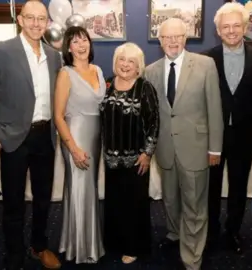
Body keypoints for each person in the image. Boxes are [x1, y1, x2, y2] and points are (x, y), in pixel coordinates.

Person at [0, 1, 62, 269]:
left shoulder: (53, 56)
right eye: (30, 18)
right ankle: (14, 254)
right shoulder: (1, 51)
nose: (36, 23)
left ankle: (39, 246)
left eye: (41, 18)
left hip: (46, 137)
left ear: (47, 23)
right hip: (13, 140)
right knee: (13, 203)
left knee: (43, 199)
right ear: (20, 20)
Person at [145, 18, 224, 270]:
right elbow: (153, 114)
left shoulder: (205, 65)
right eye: (167, 37)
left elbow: (215, 108)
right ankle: (174, 233)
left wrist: (215, 148)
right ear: (160, 41)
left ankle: (192, 257)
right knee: (170, 200)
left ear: (185, 38)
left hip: (196, 148)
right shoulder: (151, 71)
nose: (172, 41)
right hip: (165, 150)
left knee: (194, 205)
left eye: (177, 36)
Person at [201, 2, 252, 254]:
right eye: (225, 26)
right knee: (211, 187)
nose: (231, 31)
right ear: (218, 30)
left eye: (236, 25)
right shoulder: (206, 58)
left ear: (245, 27)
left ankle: (233, 232)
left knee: (239, 186)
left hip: (244, 132)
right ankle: (211, 232)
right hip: (213, 136)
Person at [100, 42, 159, 264]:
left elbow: (154, 122)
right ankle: (115, 243)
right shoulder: (106, 83)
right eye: (121, 59)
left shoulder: (145, 88)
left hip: (136, 160)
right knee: (114, 202)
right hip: (111, 159)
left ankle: (134, 247)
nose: (125, 64)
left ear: (138, 67)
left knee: (134, 204)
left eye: (131, 61)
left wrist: (147, 153)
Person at [53, 26, 106, 264]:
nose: (81, 45)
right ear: (69, 47)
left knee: (89, 189)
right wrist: (73, 148)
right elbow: (58, 116)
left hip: (95, 139)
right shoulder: (66, 73)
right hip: (74, 136)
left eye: (84, 39)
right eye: (75, 41)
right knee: (79, 189)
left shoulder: (98, 70)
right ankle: (80, 248)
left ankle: (83, 242)